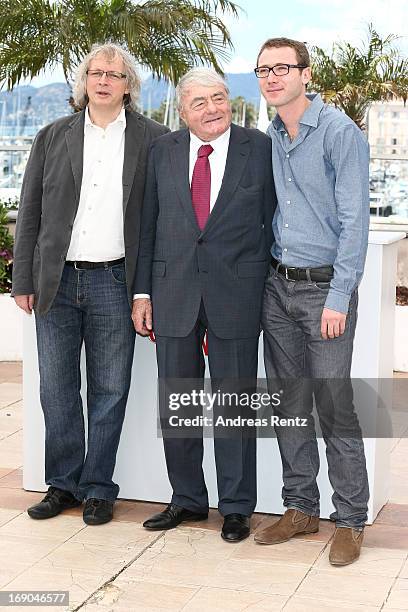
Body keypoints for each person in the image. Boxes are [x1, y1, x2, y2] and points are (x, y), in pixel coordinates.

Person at [12, 43, 168, 525]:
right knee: (55, 390)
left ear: (128, 86)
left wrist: (148, 291)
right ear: (85, 82)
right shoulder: (51, 136)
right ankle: (63, 484)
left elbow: (160, 223)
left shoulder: (154, 139)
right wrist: (23, 279)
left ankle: (99, 487)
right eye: (96, 73)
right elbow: (30, 212)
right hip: (56, 283)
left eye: (114, 75)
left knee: (110, 390)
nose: (103, 81)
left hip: (115, 283)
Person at [133, 68, 276, 542]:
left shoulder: (260, 148)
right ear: (184, 110)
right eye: (201, 102)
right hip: (172, 294)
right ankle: (188, 500)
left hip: (237, 294)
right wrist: (141, 293)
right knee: (179, 405)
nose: (213, 108)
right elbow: (146, 226)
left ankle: (236, 507)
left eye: (219, 97)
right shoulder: (163, 151)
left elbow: (274, 220)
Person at [253, 37, 370, 565]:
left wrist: (339, 296)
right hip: (277, 287)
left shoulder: (340, 133)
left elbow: (354, 225)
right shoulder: (271, 135)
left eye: (281, 68)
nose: (272, 77)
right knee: (290, 403)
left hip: (325, 291)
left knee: (334, 407)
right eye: (262, 70)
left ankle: (350, 518)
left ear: (305, 72)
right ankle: (301, 508)